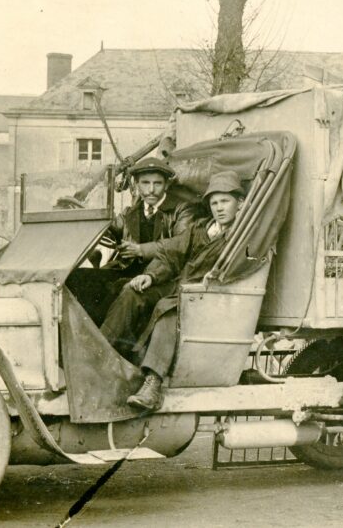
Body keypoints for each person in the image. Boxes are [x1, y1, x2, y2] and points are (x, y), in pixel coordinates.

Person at [101, 170, 245, 411]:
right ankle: (101, 355)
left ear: (240, 203)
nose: (219, 208)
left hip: (209, 297)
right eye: (214, 202)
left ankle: (152, 384)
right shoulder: (202, 228)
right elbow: (171, 254)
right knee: (132, 292)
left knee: (167, 311)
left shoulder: (242, 235)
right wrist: (149, 275)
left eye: (225, 201)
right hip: (180, 287)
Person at [66, 157, 195, 325]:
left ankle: (104, 339)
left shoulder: (182, 210)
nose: (151, 190)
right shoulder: (130, 212)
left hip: (161, 275)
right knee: (76, 277)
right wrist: (85, 214)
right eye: (145, 183)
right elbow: (111, 225)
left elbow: (180, 245)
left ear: (167, 185)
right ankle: (86, 331)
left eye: (157, 184)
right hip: (126, 269)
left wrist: (141, 250)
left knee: (119, 289)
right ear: (136, 184)